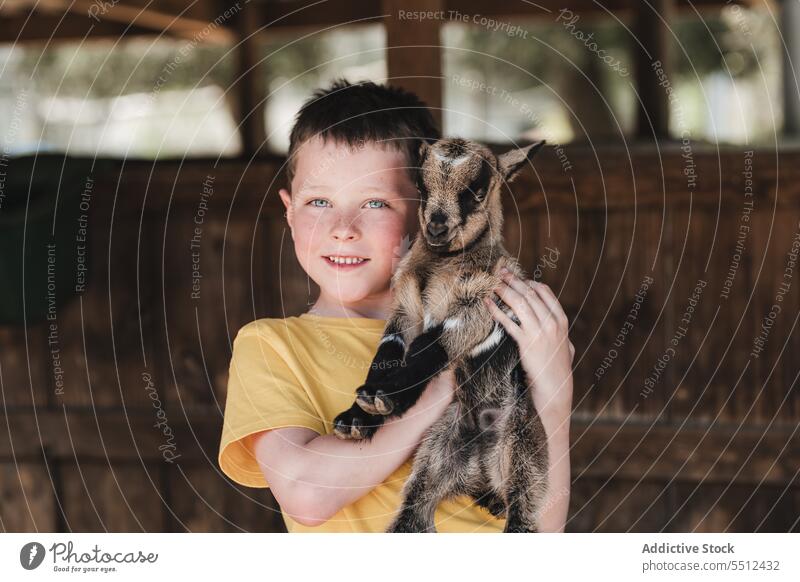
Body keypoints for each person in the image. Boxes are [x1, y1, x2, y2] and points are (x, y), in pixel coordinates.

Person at [218, 78, 574, 532]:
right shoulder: (271, 347)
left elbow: (542, 537)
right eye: (319, 201)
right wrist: (445, 379)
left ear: (426, 212)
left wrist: (555, 399)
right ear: (289, 212)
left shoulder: (501, 328)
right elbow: (307, 494)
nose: (342, 227)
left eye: (375, 202)